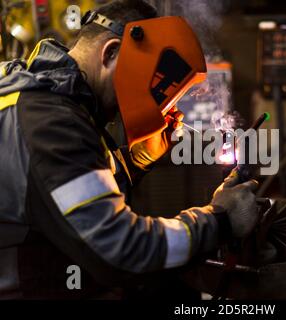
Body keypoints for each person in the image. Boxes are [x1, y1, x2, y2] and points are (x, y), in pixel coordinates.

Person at [0, 0, 259, 299]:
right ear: (110, 53)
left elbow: (61, 195)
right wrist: (221, 219)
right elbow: (122, 249)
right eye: (153, 88)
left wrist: (134, 161)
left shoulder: (40, 97)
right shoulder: (52, 122)